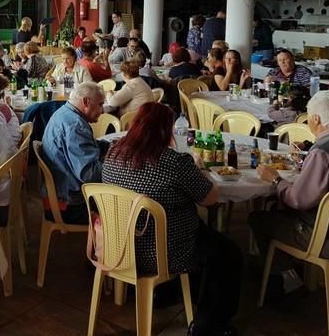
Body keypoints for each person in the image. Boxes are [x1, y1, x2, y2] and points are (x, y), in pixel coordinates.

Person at [103, 102, 241, 336]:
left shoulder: (114, 152)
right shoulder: (174, 162)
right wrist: (200, 169)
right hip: (165, 251)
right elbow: (209, 198)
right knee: (227, 253)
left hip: (120, 246)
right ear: (167, 131)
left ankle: (167, 291)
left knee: (207, 244)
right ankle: (209, 324)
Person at [251, 91, 329, 296]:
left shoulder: (323, 151)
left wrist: (275, 179)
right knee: (278, 210)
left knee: (259, 218)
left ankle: (285, 277)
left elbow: (297, 200)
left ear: (316, 119)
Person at [41, 82, 105, 224]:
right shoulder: (76, 126)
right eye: (100, 104)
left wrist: (109, 147)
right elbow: (89, 174)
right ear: (86, 102)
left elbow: (85, 147)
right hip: (70, 206)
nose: (103, 110)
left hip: (59, 197)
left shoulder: (64, 113)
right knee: (128, 208)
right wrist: (117, 163)